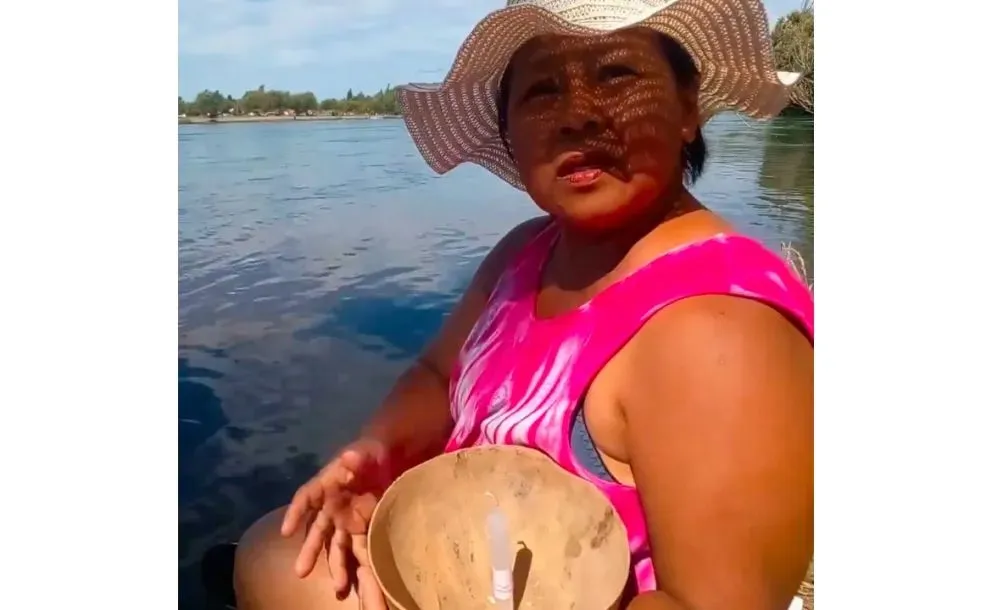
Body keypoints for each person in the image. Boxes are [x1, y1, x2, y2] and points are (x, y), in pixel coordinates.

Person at [233, 1, 813, 609]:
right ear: (510, 137)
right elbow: (437, 375)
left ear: (688, 106)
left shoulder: (718, 327)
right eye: (541, 90)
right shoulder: (525, 253)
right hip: (476, 555)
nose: (577, 116)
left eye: (617, 75)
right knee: (276, 548)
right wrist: (375, 454)